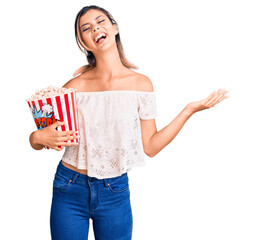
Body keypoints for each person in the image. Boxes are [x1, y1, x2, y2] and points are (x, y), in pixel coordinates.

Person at [29, 5, 229, 240]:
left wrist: (189, 110)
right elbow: (45, 136)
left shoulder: (141, 85)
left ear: (114, 28)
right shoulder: (73, 87)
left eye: (100, 21)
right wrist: (36, 138)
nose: (95, 28)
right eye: (86, 28)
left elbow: (151, 147)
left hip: (114, 192)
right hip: (69, 187)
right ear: (84, 42)